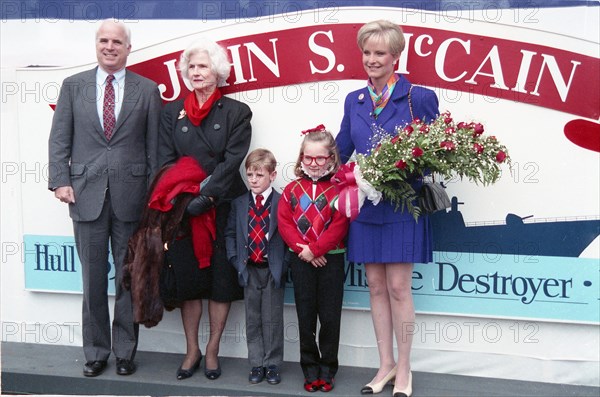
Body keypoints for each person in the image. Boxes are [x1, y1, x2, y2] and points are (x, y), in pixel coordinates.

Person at [47, 19, 162, 377]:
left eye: (117, 42)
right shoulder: (73, 86)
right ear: (96, 45)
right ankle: (96, 351)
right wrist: (59, 181)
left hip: (133, 198)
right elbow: (59, 140)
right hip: (85, 196)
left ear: (129, 48)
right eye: (104, 41)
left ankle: (125, 351)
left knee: (129, 277)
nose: (110, 47)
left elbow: (155, 148)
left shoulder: (148, 89)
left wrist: (154, 198)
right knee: (93, 279)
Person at [335, 20, 439, 397]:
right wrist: (318, 162)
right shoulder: (354, 100)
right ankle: (385, 366)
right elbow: (343, 149)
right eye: (367, 52)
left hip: (401, 205)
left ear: (396, 56)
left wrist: (395, 171)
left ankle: (406, 370)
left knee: (398, 288)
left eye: (380, 53)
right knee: (375, 287)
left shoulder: (419, 97)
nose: (372, 60)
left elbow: (434, 155)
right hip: (366, 206)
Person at [158, 37, 252, 380]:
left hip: (223, 205)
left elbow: (231, 162)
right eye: (192, 66)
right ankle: (191, 349)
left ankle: (212, 349)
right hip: (183, 209)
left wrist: (207, 196)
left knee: (220, 282)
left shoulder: (237, 113)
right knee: (189, 280)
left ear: (218, 72)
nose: (197, 72)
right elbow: (166, 160)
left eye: (204, 66)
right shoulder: (171, 112)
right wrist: (185, 198)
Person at [277, 126, 349, 393]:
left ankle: (328, 370)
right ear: (301, 158)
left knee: (330, 318)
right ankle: (309, 369)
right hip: (302, 260)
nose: (314, 163)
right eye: (309, 158)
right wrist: (304, 250)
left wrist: (316, 250)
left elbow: (340, 225)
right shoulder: (291, 189)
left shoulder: (341, 189)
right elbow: (284, 223)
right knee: (305, 317)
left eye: (320, 158)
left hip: (332, 260)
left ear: (331, 158)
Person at [225, 148, 287, 385]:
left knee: (272, 320)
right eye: (250, 175)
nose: (253, 180)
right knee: (253, 319)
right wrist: (234, 259)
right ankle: (256, 364)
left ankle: (272, 365)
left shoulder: (281, 202)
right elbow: (230, 233)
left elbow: (290, 237)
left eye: (259, 175)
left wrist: (284, 265)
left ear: (272, 175)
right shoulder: (239, 203)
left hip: (272, 270)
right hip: (248, 269)